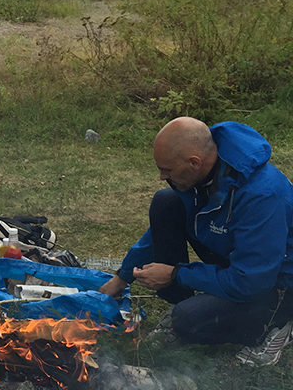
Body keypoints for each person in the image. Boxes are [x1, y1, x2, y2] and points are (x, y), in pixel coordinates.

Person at [99, 117, 293, 365]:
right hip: (238, 261)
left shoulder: (262, 195)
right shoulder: (200, 174)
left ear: (194, 162)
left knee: (188, 320)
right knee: (165, 202)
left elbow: (251, 282)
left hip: (276, 284)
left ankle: (278, 324)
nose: (161, 176)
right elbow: (159, 230)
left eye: (166, 169)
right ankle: (189, 309)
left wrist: (176, 274)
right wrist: (121, 278)